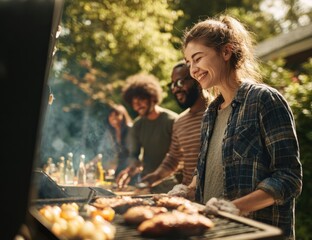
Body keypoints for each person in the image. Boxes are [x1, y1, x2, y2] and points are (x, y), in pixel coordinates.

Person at [179, 15, 302, 239]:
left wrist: (235, 208)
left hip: (254, 233)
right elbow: (209, 169)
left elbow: (288, 178)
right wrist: (188, 189)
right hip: (215, 232)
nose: (193, 70)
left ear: (226, 52)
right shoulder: (210, 114)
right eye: (189, 63)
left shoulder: (264, 99)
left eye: (197, 58)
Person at [140, 61, 209, 188]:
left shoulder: (217, 113)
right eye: (172, 85)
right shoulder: (180, 121)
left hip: (216, 198)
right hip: (189, 198)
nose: (175, 88)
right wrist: (156, 176)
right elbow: (173, 158)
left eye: (180, 82)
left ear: (197, 79)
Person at [115, 73, 179, 193]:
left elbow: (179, 157)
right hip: (147, 184)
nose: (137, 106)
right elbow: (134, 155)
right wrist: (130, 170)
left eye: (141, 100)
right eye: (134, 103)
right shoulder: (137, 125)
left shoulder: (173, 120)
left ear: (153, 98)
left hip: (172, 186)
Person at [96, 103, 133, 177]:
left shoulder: (130, 130)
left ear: (123, 116)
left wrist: (116, 168)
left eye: (116, 115)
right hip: (116, 171)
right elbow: (102, 152)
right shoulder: (110, 132)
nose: (113, 118)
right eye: (111, 115)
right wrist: (89, 165)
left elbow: (133, 154)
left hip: (130, 170)